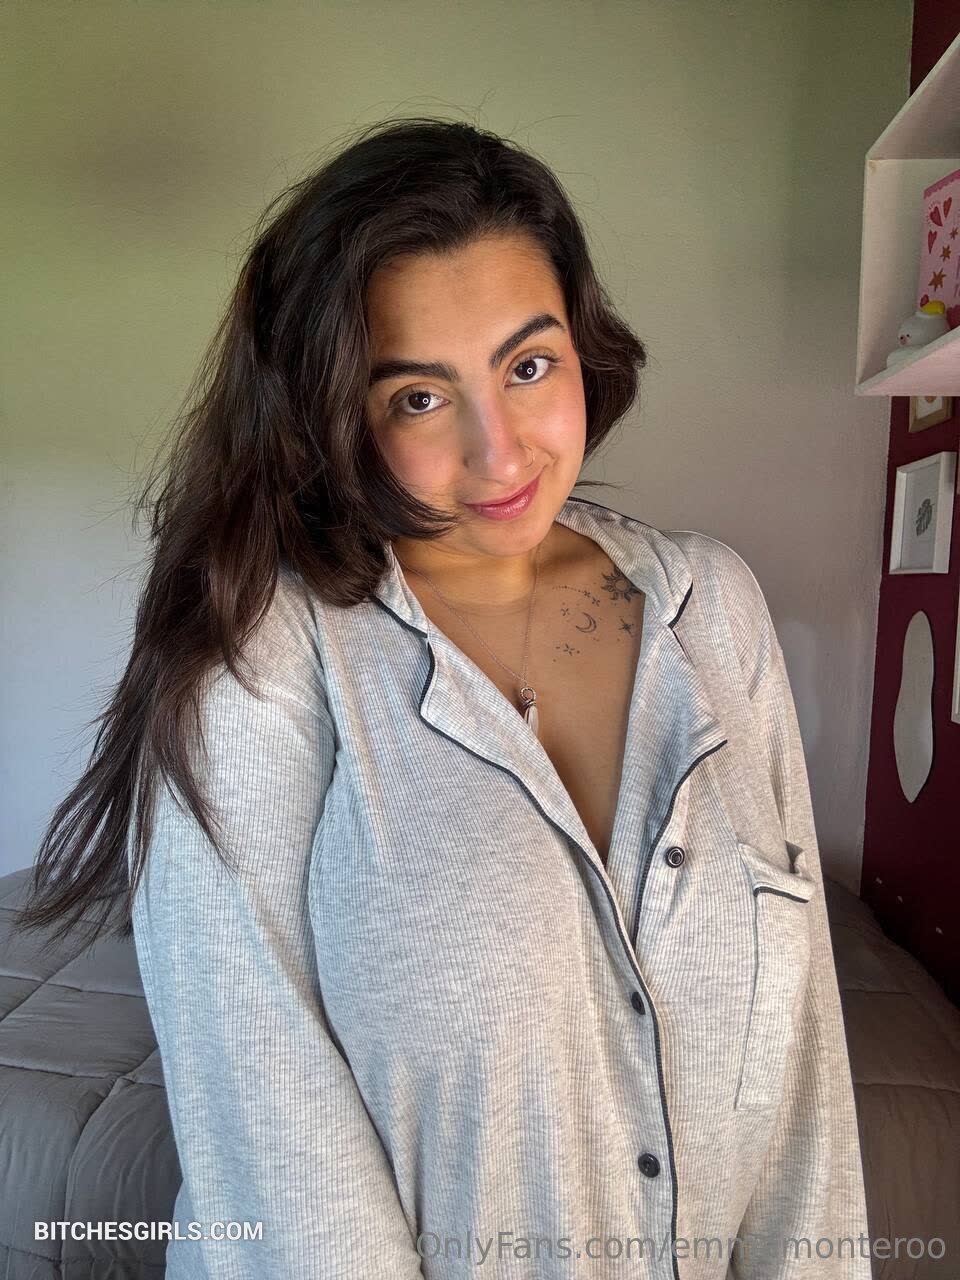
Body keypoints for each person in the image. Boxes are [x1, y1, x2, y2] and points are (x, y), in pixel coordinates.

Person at [16, 116, 872, 1278]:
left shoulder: (713, 607)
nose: (498, 451)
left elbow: (805, 1074)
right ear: (338, 414)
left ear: (583, 346)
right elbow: (269, 1128)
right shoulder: (263, 651)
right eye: (418, 397)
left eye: (529, 366)